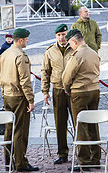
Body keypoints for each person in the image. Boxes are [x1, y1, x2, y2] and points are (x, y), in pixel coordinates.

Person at [0, 28, 39, 172]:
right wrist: (31, 99)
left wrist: (4, 92)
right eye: (27, 39)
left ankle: (8, 162)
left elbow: (1, 76)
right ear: (21, 40)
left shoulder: (5, 54)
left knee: (9, 131)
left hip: (7, 95)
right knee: (20, 131)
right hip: (19, 96)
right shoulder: (20, 56)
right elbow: (25, 80)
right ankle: (21, 163)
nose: (28, 41)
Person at [62, 29, 101, 172]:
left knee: (81, 127)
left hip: (80, 92)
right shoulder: (93, 52)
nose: (70, 46)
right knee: (93, 124)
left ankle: (84, 161)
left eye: (70, 43)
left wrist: (67, 88)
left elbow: (67, 76)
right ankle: (95, 158)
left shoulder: (77, 55)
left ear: (75, 41)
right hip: (94, 90)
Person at [41, 24, 74, 164]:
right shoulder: (50, 51)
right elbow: (45, 71)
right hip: (58, 90)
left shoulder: (74, 48)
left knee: (78, 122)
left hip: (73, 90)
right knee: (60, 124)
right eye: (59, 35)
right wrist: (45, 91)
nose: (62, 37)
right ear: (56, 36)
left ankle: (82, 152)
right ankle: (62, 153)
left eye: (64, 34)